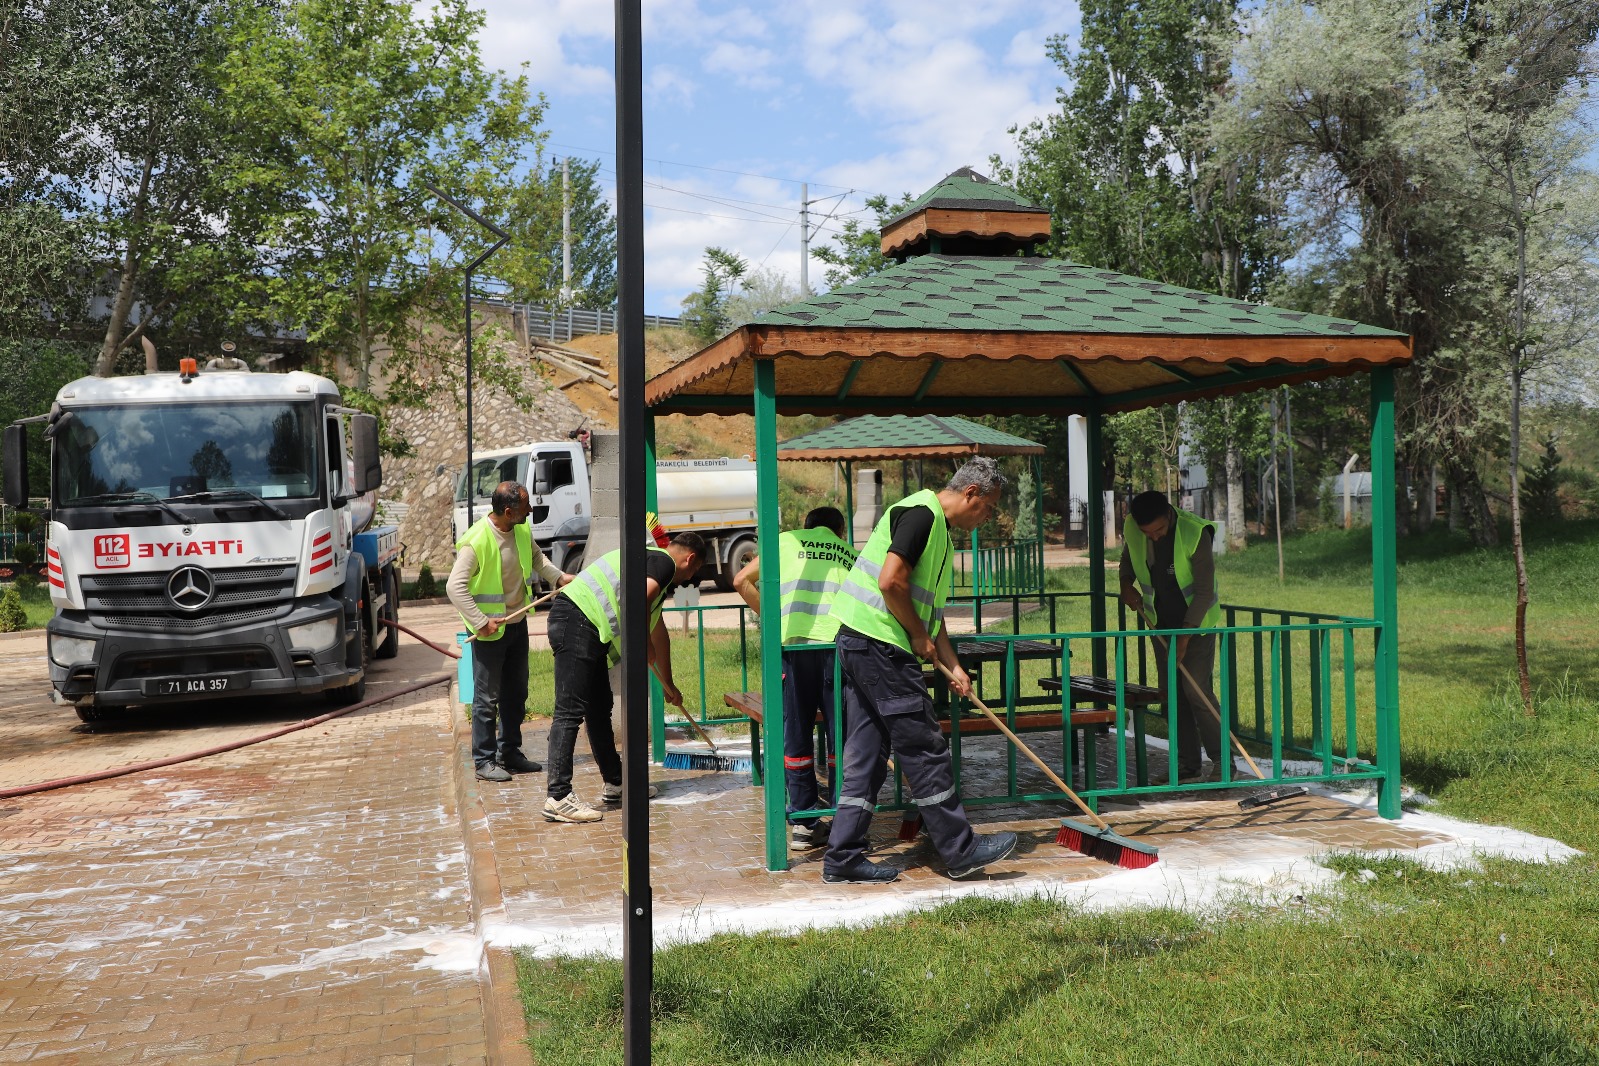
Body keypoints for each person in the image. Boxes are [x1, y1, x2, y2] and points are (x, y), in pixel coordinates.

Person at [822, 457, 1020, 883]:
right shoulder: (922, 515)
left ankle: (842, 858)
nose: (986, 517)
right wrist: (916, 636)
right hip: (880, 646)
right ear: (970, 493)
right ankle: (961, 851)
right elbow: (891, 582)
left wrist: (952, 664)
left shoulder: (935, 528)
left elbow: (930, 612)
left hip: (861, 642)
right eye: (988, 507)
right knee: (924, 747)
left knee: (868, 755)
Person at [542, 530, 706, 823]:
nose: (691, 578)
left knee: (598, 709)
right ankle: (558, 796)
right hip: (577, 622)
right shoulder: (663, 562)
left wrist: (669, 684)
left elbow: (659, 633)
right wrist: (641, 644)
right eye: (694, 571)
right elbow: (638, 600)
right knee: (569, 712)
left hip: (582, 626)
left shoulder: (652, 567)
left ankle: (616, 782)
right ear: (690, 559)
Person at [733, 506, 857, 851]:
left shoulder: (783, 543)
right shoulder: (850, 553)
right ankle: (843, 820)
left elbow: (740, 580)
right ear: (840, 531)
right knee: (841, 738)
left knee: (796, 736)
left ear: (805, 526)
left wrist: (775, 620)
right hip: (837, 650)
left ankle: (803, 824)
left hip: (793, 651)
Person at [449, 481, 573, 783]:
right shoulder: (476, 541)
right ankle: (484, 761)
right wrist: (480, 621)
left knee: (516, 694)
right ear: (508, 511)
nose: (531, 510)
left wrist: (559, 579)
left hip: (517, 625)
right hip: (489, 633)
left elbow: (537, 560)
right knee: (486, 698)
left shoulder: (520, 530)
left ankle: (510, 752)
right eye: (525, 507)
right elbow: (454, 587)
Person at [1118, 490, 1225, 782]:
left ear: (1169, 514)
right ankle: (1187, 765)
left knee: (1196, 691)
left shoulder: (1195, 533)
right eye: (1147, 533)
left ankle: (1223, 762)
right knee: (1173, 695)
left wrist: (1185, 637)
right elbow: (1128, 560)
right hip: (1160, 624)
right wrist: (1125, 583)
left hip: (1197, 625)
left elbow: (1204, 592)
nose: (1154, 537)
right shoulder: (1134, 528)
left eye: (1160, 530)